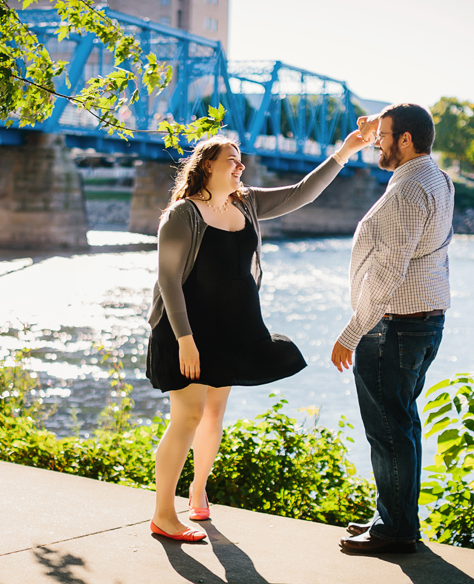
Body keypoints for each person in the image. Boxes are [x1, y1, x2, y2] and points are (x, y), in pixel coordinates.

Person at [147, 132, 369, 541]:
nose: (240, 166)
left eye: (240, 160)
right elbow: (168, 278)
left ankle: (198, 492)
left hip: (233, 327)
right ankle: (163, 513)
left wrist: (345, 152)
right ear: (207, 165)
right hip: (187, 331)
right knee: (188, 416)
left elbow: (303, 193)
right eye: (231, 159)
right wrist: (185, 338)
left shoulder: (246, 202)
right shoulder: (183, 214)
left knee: (213, 415)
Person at [331, 103, 454, 554]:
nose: (378, 141)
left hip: (393, 328)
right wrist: (369, 132)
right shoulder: (437, 179)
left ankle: (396, 530)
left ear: (406, 139)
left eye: (385, 135)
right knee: (401, 425)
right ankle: (394, 517)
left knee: (388, 429)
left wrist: (352, 331)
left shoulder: (405, 192)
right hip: (425, 321)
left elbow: (389, 269)